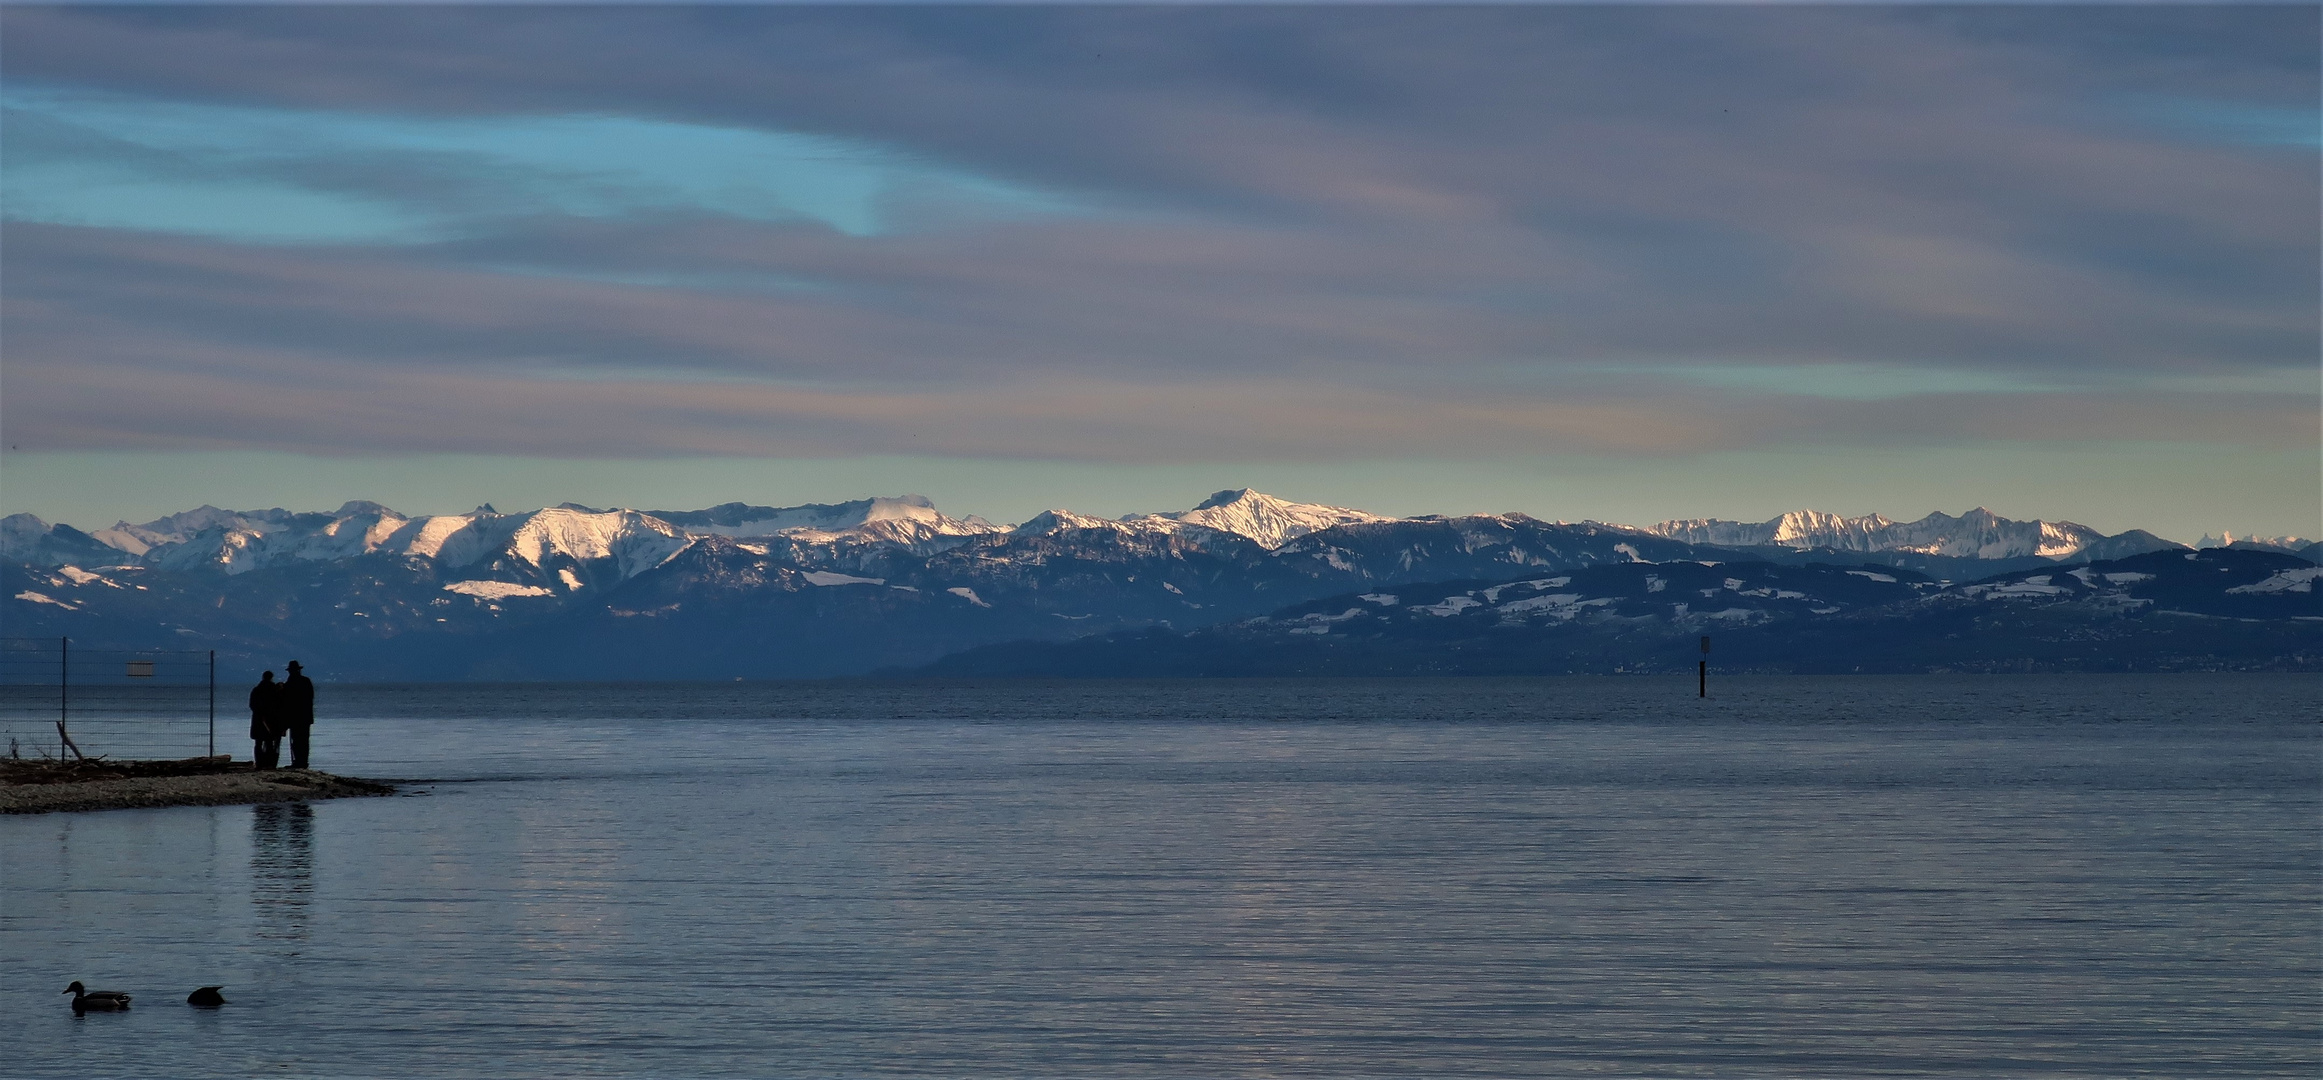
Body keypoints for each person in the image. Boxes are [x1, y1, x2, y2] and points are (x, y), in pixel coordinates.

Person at [282, 660, 316, 769]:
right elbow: (310, 697)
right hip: (305, 717)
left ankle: (298, 761)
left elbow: (285, 700)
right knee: (303, 740)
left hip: (294, 717)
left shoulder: (290, 683)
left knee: (296, 740)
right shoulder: (305, 681)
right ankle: (302, 762)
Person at [248, 670, 282, 770]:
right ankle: (269, 763)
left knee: (258, 743)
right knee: (270, 742)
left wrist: (259, 713)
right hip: (271, 720)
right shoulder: (274, 690)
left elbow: (252, 705)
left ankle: (259, 763)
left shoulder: (257, 690)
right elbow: (279, 705)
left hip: (258, 719)